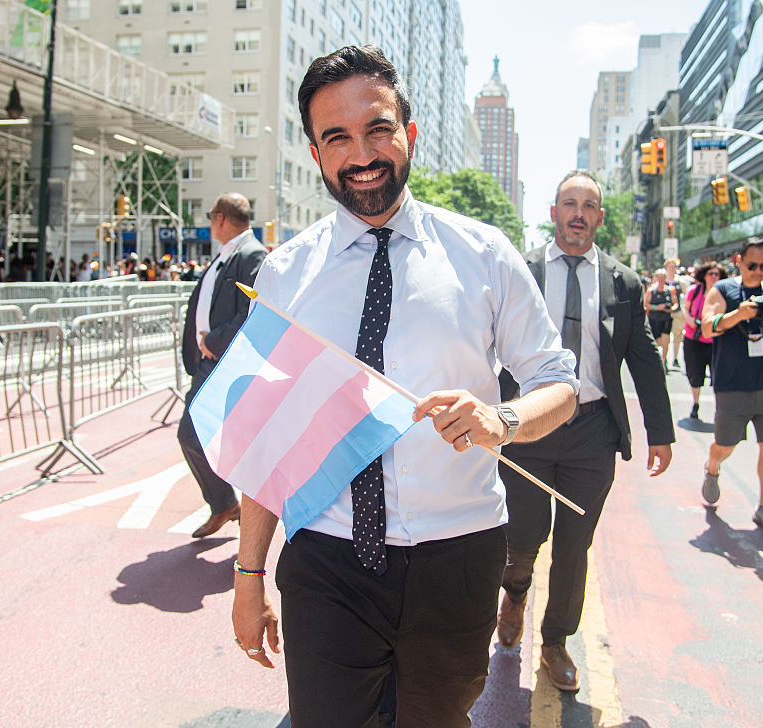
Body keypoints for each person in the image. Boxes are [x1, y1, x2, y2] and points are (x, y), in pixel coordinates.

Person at [230, 46, 578, 728]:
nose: (361, 153)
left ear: (409, 135)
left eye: (377, 129)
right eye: (337, 138)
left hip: (459, 553)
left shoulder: (485, 255)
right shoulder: (283, 276)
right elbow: (264, 440)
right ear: (316, 154)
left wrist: (502, 418)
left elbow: (557, 384)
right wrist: (248, 576)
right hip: (326, 554)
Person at [496, 169, 674, 692]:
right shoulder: (520, 269)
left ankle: (554, 642)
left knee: (575, 544)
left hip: (593, 430)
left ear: (599, 215)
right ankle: (516, 590)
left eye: (589, 204)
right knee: (522, 536)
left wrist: (660, 431)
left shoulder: (623, 281)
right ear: (553, 213)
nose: (578, 213)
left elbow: (643, 358)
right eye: (568, 203)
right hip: (527, 427)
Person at [177, 193, 267, 538]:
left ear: (220, 218)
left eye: (211, 216)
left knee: (199, 436)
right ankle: (226, 506)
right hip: (208, 363)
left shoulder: (251, 255)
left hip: (226, 364)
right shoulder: (225, 255)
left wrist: (212, 340)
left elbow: (251, 313)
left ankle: (236, 512)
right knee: (197, 437)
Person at [699, 239, 763, 533]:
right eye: (752, 265)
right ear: (738, 261)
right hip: (731, 384)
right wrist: (738, 315)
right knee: (725, 445)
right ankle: (712, 467)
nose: (758, 272)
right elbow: (707, 326)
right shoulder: (723, 289)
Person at [682, 261, 728, 419]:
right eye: (711, 274)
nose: (714, 277)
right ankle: (695, 403)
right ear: (704, 275)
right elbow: (685, 309)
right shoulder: (694, 291)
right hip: (694, 339)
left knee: (718, 376)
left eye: (717, 274)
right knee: (695, 374)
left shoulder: (724, 293)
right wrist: (691, 321)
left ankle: (719, 409)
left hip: (716, 341)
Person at [644, 268, 678, 367]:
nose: (661, 279)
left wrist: (670, 309)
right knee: (654, 341)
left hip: (666, 318)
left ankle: (663, 360)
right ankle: (653, 360)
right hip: (654, 319)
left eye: (663, 277)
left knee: (665, 340)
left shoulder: (669, 290)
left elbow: (675, 303)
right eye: (659, 277)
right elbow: (646, 304)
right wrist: (657, 307)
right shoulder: (651, 290)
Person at [665, 258, 689, 369]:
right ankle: (663, 358)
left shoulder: (680, 281)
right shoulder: (661, 279)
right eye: (669, 266)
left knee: (677, 336)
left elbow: (687, 296)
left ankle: (674, 358)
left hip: (677, 312)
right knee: (664, 337)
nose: (671, 269)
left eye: (673, 266)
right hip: (663, 313)